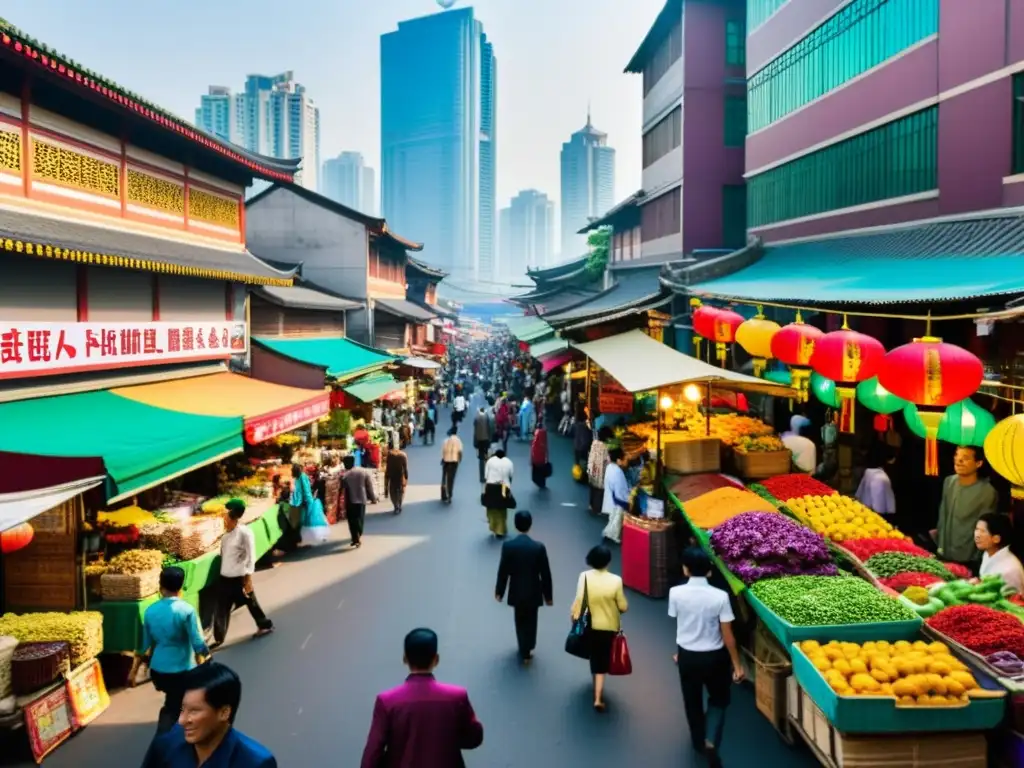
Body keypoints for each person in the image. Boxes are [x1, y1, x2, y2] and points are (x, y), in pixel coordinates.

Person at [360, 628, 484, 768]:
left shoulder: (387, 702)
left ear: (405, 659)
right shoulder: (457, 697)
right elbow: (474, 738)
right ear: (436, 659)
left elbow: (372, 754)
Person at [669, 548, 744, 766]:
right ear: (710, 572)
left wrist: (679, 652)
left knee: (692, 701)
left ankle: (698, 742)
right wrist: (737, 665)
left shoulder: (675, 593)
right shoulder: (720, 597)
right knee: (719, 699)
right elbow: (727, 634)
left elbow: (680, 623)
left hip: (688, 656)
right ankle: (711, 739)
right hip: (715, 658)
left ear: (685, 569)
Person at [142, 662, 276, 768]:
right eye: (183, 709)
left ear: (224, 713)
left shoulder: (256, 763)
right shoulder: (166, 746)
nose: (182, 721)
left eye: (194, 711)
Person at [139, 567, 210, 734]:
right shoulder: (186, 610)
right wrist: (208, 658)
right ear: (181, 586)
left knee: (173, 701)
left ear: (160, 585)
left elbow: (145, 644)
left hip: (158, 671)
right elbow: (197, 642)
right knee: (177, 706)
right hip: (182, 670)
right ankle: (167, 738)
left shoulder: (150, 611)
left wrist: (141, 664)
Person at [570, 545, 628, 711]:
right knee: (602, 661)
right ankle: (597, 698)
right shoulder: (616, 581)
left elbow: (580, 600)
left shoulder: (584, 577)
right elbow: (622, 606)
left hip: (588, 624)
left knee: (595, 655)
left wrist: (574, 616)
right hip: (608, 626)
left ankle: (595, 674)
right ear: (608, 561)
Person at [211, 500, 273, 649]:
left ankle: (264, 625)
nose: (224, 521)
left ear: (233, 517)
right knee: (221, 608)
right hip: (225, 578)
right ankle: (219, 639)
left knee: (251, 602)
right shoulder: (226, 537)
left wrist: (248, 579)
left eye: (225, 518)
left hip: (239, 578)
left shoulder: (245, 533)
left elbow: (251, 556)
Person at [495, 511, 553, 664]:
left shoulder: (508, 546)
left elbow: (503, 571)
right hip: (534, 590)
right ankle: (529, 646)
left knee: (519, 620)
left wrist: (499, 591)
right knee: (532, 620)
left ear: (515, 525)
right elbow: (545, 573)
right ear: (530, 525)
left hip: (516, 590)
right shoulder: (538, 547)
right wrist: (548, 596)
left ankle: (523, 648)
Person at [933, 446, 999, 566]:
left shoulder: (987, 491)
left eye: (965, 458)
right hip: (943, 551)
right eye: (957, 456)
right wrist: (939, 542)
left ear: (978, 463)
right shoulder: (949, 481)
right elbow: (943, 514)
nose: (958, 461)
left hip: (967, 557)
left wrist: (976, 557)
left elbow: (985, 528)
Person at [975, 513, 1024, 593]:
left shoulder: (1009, 570)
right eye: (977, 529)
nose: (977, 535)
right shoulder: (988, 553)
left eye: (983, 531)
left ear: (996, 539)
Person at [342, 454, 378, 548]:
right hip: (361, 499)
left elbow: (342, 489)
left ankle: (355, 538)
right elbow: (369, 486)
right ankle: (358, 534)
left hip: (350, 500)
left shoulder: (345, 475)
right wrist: (373, 498)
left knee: (351, 520)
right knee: (360, 518)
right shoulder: (363, 471)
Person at [291, 463, 329, 546]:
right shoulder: (302, 476)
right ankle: (315, 536)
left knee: (303, 520)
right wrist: (311, 501)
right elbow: (306, 490)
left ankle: (304, 538)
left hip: (298, 502)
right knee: (312, 519)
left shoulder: (295, 478)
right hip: (305, 501)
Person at [601, 448, 632, 544]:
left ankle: (610, 533)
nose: (626, 461)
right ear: (619, 461)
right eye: (625, 459)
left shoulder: (610, 467)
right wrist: (628, 500)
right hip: (618, 500)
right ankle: (612, 535)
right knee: (617, 518)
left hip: (612, 497)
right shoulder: (618, 472)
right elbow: (621, 489)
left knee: (613, 517)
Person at [483, 448, 515, 538]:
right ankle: (501, 529)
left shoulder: (490, 461)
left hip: (491, 486)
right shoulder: (509, 462)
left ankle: (493, 525)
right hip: (504, 487)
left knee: (491, 507)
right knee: (502, 508)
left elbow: (486, 476)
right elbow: (511, 475)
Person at [856, 445, 896, 517]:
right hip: (875, 518)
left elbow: (858, 495)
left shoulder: (868, 472)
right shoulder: (881, 478)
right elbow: (879, 509)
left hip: (864, 514)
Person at [587, 426, 614, 517]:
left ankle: (591, 505)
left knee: (592, 488)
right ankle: (597, 509)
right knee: (599, 491)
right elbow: (608, 461)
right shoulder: (606, 447)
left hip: (593, 470)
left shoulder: (594, 443)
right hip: (601, 473)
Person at [440, 427, 463, 503]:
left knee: (444, 477)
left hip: (446, 461)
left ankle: (443, 494)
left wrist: (443, 458)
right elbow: (460, 452)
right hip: (454, 462)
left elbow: (443, 451)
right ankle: (449, 495)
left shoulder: (446, 440)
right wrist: (459, 459)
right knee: (451, 479)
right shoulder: (458, 441)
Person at [384, 445, 409, 515]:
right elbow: (405, 469)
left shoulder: (390, 456)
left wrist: (386, 480)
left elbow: (387, 467)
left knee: (392, 491)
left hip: (392, 475)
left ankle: (396, 505)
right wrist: (406, 478)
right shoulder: (403, 455)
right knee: (401, 491)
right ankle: (399, 504)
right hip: (400, 475)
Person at [473, 406, 493, 483]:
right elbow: (490, 428)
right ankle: (487, 475)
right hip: (486, 440)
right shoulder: (487, 417)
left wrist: (475, 443)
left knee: (481, 459)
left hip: (479, 440)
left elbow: (475, 431)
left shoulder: (476, 418)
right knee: (486, 457)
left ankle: (481, 477)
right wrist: (490, 439)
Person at [530, 423, 550, 490]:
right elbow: (546, 446)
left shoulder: (537, 434)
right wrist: (547, 456)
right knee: (541, 470)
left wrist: (531, 458)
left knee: (537, 471)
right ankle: (542, 483)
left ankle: (540, 483)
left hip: (536, 456)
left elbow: (533, 447)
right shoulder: (544, 434)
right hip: (542, 456)